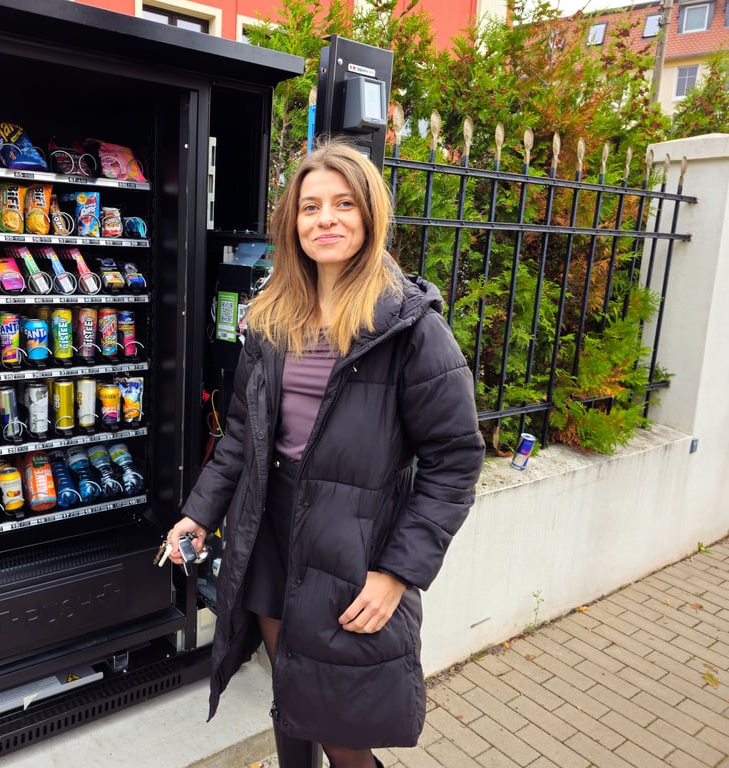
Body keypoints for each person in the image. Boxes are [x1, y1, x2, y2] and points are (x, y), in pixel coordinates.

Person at [167, 137, 485, 768]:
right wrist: (199, 513)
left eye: (343, 204)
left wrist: (397, 572)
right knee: (291, 701)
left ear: (369, 215)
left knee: (343, 733)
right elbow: (240, 435)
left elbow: (455, 461)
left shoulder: (410, 327)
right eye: (310, 207)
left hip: (351, 545)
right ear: (293, 223)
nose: (326, 219)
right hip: (268, 532)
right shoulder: (271, 317)